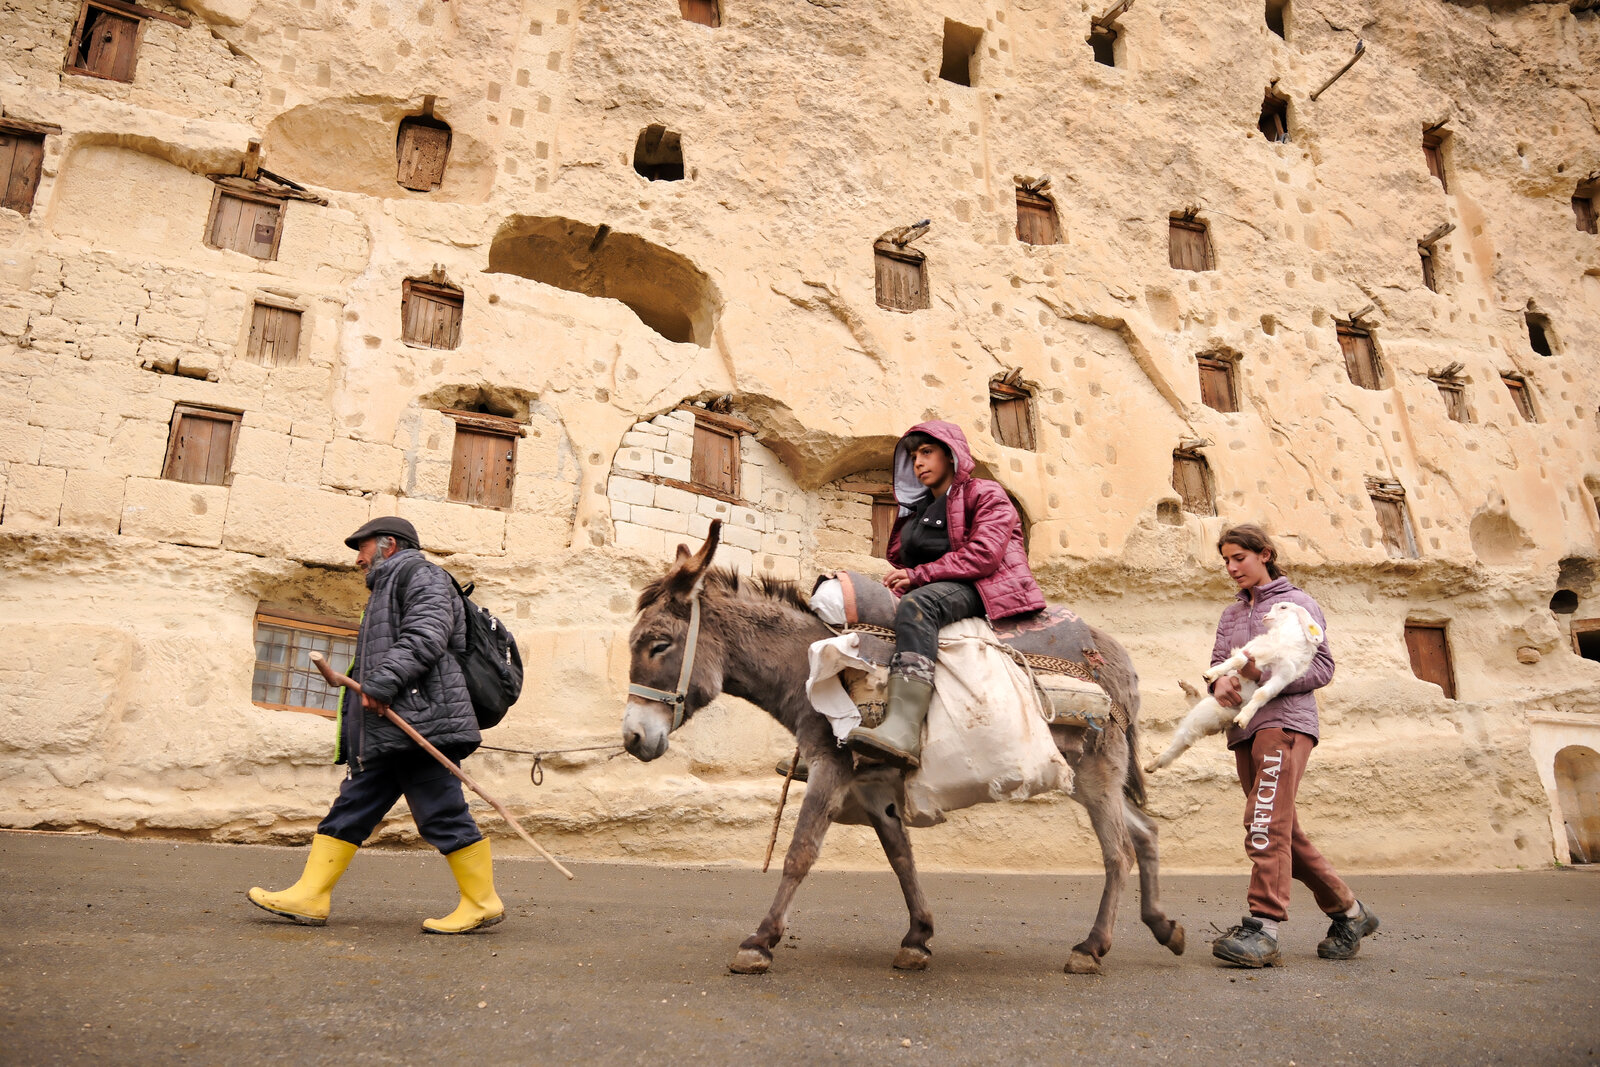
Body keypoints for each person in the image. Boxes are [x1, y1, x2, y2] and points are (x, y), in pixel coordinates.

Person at [247, 517, 503, 934]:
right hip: (392, 727)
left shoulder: (421, 574)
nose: (357, 559)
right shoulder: (389, 585)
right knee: (352, 808)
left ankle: (482, 902)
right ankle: (310, 895)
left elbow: (427, 633)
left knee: (441, 813)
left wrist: (383, 681)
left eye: (362, 548)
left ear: (389, 544)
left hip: (419, 723)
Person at [1207, 524, 1378, 967]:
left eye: (1239, 558)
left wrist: (1262, 677)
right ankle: (1351, 913)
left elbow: (1322, 668)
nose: (1231, 568)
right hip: (1243, 729)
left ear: (1264, 554)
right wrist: (1219, 684)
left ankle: (1263, 928)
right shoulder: (1230, 615)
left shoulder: (1297, 604)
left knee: (1264, 821)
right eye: (1226, 560)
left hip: (1284, 723)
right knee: (1282, 829)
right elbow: (1218, 665)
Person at [847, 420, 1045, 767]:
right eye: (913, 457)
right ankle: (839, 734)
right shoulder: (919, 510)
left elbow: (984, 555)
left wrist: (917, 577)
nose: (918, 463)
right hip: (937, 585)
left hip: (985, 587)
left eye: (927, 452)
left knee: (918, 604)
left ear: (951, 456)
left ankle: (904, 729)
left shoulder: (985, 493)